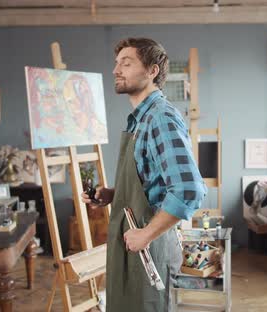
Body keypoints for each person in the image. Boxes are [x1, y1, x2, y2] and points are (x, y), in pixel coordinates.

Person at [81, 38, 207, 311]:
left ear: (152, 71)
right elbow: (153, 183)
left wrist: (147, 234)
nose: (116, 70)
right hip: (134, 246)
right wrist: (115, 194)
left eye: (126, 63)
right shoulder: (141, 119)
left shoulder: (160, 117)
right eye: (116, 64)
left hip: (150, 250)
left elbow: (189, 190)